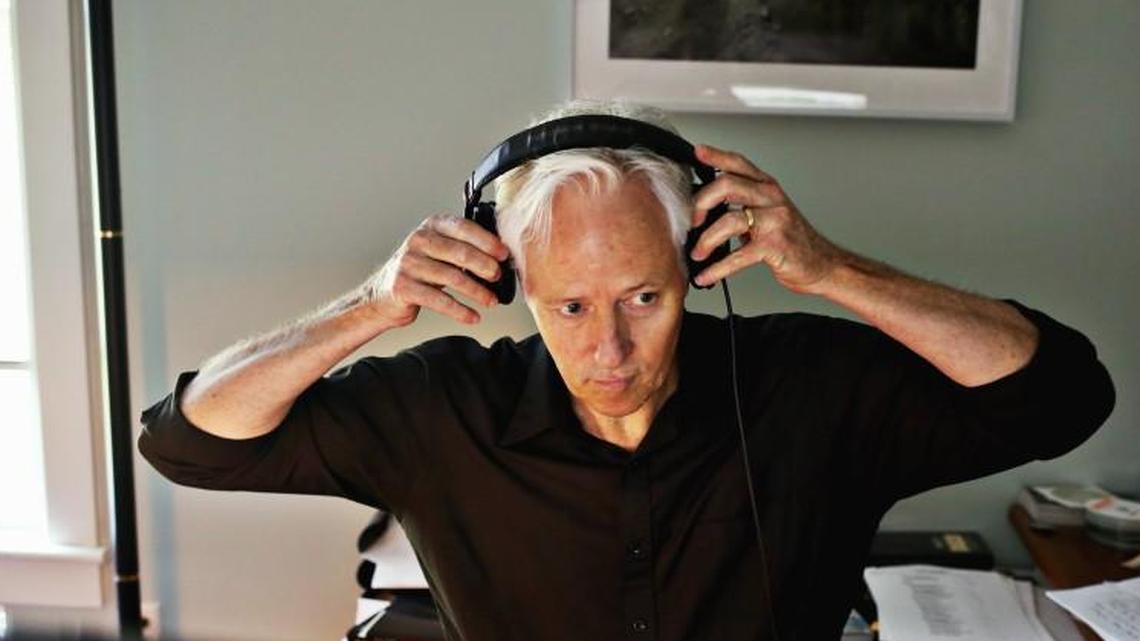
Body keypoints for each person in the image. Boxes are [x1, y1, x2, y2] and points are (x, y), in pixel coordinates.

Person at [139, 100, 1115, 641]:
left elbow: (1064, 396)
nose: (608, 350)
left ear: (699, 264)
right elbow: (188, 441)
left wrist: (832, 267)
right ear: (510, 276)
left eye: (644, 297)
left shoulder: (815, 386)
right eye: (570, 305)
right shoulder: (441, 407)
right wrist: (370, 305)